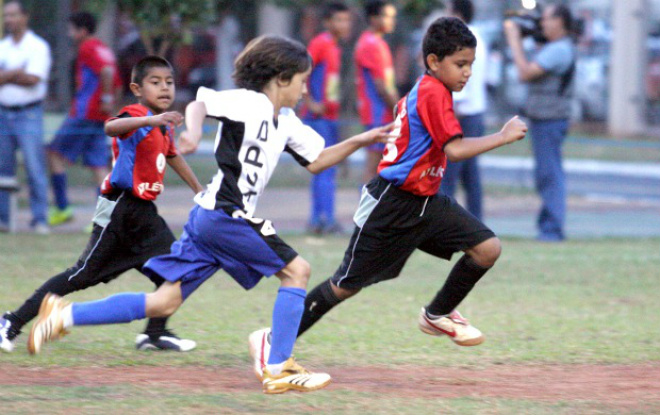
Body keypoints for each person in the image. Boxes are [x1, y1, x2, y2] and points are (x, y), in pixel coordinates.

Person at [26, 35, 394, 394]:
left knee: (163, 302)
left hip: (209, 219)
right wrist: (194, 130)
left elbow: (318, 160)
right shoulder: (247, 102)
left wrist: (363, 139)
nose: (306, 90)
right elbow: (201, 104)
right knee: (297, 271)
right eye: (302, 81)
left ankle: (62, 314)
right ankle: (277, 364)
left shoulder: (287, 121)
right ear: (281, 78)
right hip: (224, 214)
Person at [248, 18, 528, 378]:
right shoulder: (431, 92)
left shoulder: (432, 91)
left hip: (426, 200)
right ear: (432, 61)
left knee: (487, 248)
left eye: (471, 65)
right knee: (344, 285)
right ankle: (273, 340)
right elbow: (454, 150)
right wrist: (502, 136)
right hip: (392, 204)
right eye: (460, 64)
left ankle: (437, 315)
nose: (467, 73)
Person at [0, 56, 203, 354]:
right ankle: (11, 321)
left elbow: (172, 155)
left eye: (169, 82)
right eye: (155, 82)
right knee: (81, 275)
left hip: (144, 214)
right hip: (119, 208)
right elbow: (111, 127)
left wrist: (199, 189)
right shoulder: (138, 114)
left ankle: (154, 335)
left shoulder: (164, 124)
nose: (164, 88)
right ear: (137, 88)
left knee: (176, 271)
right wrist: (150, 119)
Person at [504, 4, 576, 242]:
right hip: (547, 118)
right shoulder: (556, 47)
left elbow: (525, 73)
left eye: (545, 19)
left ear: (560, 22)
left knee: (550, 174)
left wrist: (514, 38)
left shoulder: (559, 50)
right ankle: (548, 226)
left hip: (550, 119)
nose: (542, 24)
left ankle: (552, 230)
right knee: (547, 173)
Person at [48, 11, 122, 227]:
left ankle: (62, 208)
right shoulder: (104, 48)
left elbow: (107, 72)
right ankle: (104, 218)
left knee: (54, 154)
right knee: (98, 165)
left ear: (82, 31)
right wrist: (110, 108)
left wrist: (105, 99)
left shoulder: (87, 47)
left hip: (84, 114)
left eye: (72, 30)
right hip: (100, 117)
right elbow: (117, 80)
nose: (70, 35)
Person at [0, 1, 51, 234]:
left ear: (25, 17)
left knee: (34, 167)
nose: (9, 20)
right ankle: (3, 220)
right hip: (3, 112)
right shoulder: (4, 47)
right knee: (3, 170)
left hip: (29, 113)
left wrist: (5, 76)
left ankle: (39, 219)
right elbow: (23, 76)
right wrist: (16, 72)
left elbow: (33, 79)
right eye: (6, 15)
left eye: (13, 15)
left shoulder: (37, 46)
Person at [302, 1, 352, 234]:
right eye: (339, 20)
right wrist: (310, 102)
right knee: (325, 168)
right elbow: (301, 70)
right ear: (327, 22)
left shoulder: (335, 47)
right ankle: (324, 220)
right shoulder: (320, 43)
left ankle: (319, 220)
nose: (345, 24)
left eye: (347, 19)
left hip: (329, 118)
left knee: (326, 169)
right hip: (316, 117)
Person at [440, 0, 487, 221]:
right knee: (471, 178)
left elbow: (460, 91)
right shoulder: (480, 38)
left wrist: (447, 121)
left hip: (462, 115)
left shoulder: (462, 43)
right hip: (477, 114)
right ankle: (477, 223)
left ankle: (445, 224)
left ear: (457, 14)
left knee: (448, 176)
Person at [355, 0, 399, 184]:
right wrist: (399, 109)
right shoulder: (371, 44)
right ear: (373, 18)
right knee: (373, 167)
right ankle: (366, 211)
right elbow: (381, 86)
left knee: (380, 167)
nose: (391, 21)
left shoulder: (378, 43)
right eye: (387, 16)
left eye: (392, 17)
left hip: (382, 113)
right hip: (377, 114)